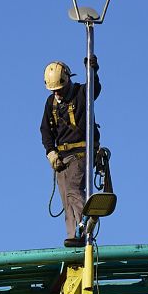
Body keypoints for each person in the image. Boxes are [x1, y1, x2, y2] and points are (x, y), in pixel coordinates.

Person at [40, 54, 101, 246]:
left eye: (59, 89)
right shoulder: (51, 104)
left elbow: (94, 89)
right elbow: (46, 130)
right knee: (66, 198)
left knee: (74, 190)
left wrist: (92, 71)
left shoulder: (81, 93)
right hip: (62, 156)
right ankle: (73, 236)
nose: (57, 93)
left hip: (81, 154)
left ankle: (85, 223)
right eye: (54, 90)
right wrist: (51, 152)